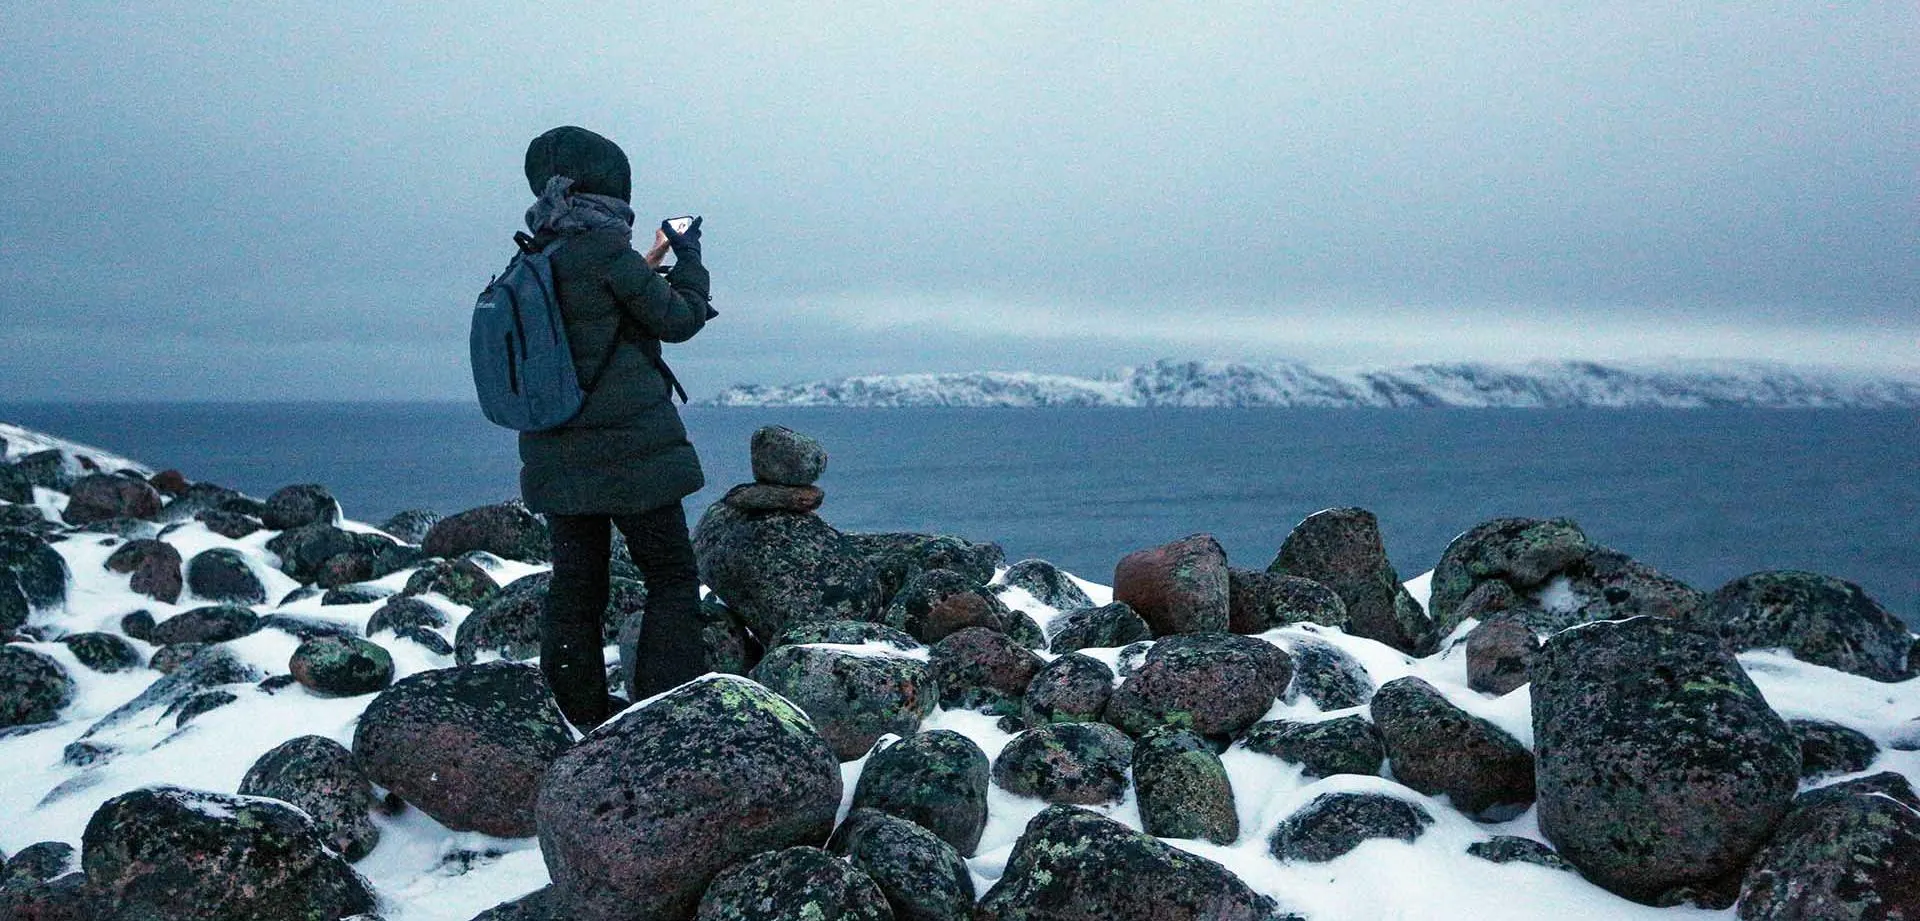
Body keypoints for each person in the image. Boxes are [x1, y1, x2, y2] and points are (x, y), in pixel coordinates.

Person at [515, 125, 716, 729]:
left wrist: (643, 264)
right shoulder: (607, 254)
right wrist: (690, 258)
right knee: (671, 578)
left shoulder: (534, 256)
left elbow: (590, 315)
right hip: (634, 455)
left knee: (578, 584)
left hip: (556, 453)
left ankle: (574, 713)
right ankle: (661, 713)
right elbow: (678, 320)